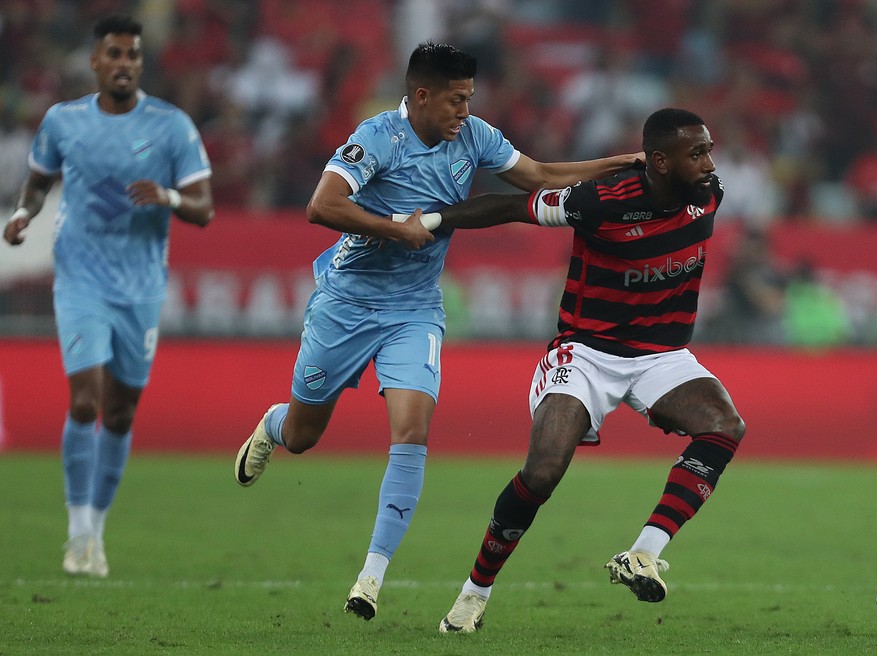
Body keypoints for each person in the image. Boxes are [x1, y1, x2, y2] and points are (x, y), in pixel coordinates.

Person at [232, 41, 641, 621]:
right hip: (345, 306)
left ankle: (370, 579)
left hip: (414, 310)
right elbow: (321, 206)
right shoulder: (376, 138)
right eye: (456, 99)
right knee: (303, 435)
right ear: (421, 96)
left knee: (413, 426)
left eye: (470, 98)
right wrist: (394, 230)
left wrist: (621, 164)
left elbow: (542, 175)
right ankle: (273, 425)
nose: (465, 110)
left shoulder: (472, 136)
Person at [423, 108, 746, 633]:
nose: (710, 163)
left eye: (709, 150)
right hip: (587, 352)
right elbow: (511, 206)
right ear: (659, 161)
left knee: (724, 425)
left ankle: (643, 553)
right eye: (697, 153)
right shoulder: (599, 202)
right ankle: (473, 594)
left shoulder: (709, 193)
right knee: (544, 471)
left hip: (661, 355)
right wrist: (433, 220)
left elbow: (702, 185)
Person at [2, 14, 214, 577]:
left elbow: (205, 208)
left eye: (133, 56)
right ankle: (75, 534)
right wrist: (25, 211)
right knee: (86, 401)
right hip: (79, 280)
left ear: (141, 64)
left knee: (119, 413)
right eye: (114, 54)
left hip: (141, 286)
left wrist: (167, 196)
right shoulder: (62, 121)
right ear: (95, 62)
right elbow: (40, 178)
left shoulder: (171, 127)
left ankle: (96, 530)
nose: (124, 64)